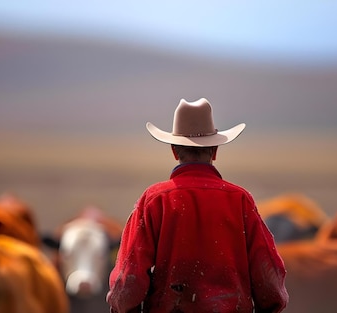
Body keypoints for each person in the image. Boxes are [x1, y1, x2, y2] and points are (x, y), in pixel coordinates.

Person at [107, 98, 288, 313]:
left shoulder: (155, 200)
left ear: (174, 151)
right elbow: (269, 281)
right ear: (215, 152)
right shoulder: (240, 200)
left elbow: (128, 281)